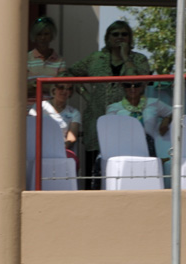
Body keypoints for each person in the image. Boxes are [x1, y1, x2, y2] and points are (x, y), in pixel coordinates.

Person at [67, 20, 151, 188]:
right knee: (94, 168)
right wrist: (85, 94)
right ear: (107, 38)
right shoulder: (95, 58)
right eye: (115, 34)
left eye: (124, 34)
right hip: (96, 118)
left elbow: (138, 81)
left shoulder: (139, 59)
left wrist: (126, 58)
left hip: (127, 119)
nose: (120, 37)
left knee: (123, 163)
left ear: (130, 38)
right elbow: (69, 73)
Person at [105, 80, 172, 158]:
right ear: (123, 87)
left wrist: (167, 119)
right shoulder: (114, 108)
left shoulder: (154, 103)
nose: (132, 89)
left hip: (148, 147)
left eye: (137, 85)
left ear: (143, 86)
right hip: (123, 147)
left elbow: (176, 111)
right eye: (127, 85)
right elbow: (109, 130)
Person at [31, 82, 82, 160]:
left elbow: (71, 138)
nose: (64, 91)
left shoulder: (74, 113)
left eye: (69, 89)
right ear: (54, 90)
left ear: (71, 93)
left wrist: (59, 149)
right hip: (39, 148)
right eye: (61, 87)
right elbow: (31, 129)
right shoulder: (40, 106)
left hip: (61, 150)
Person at [26, 16, 66, 104]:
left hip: (52, 110)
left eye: (46, 34)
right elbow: (21, 89)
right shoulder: (26, 59)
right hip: (30, 110)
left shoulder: (59, 61)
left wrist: (35, 85)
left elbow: (62, 89)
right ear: (34, 36)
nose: (43, 38)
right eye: (39, 34)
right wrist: (48, 86)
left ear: (52, 36)